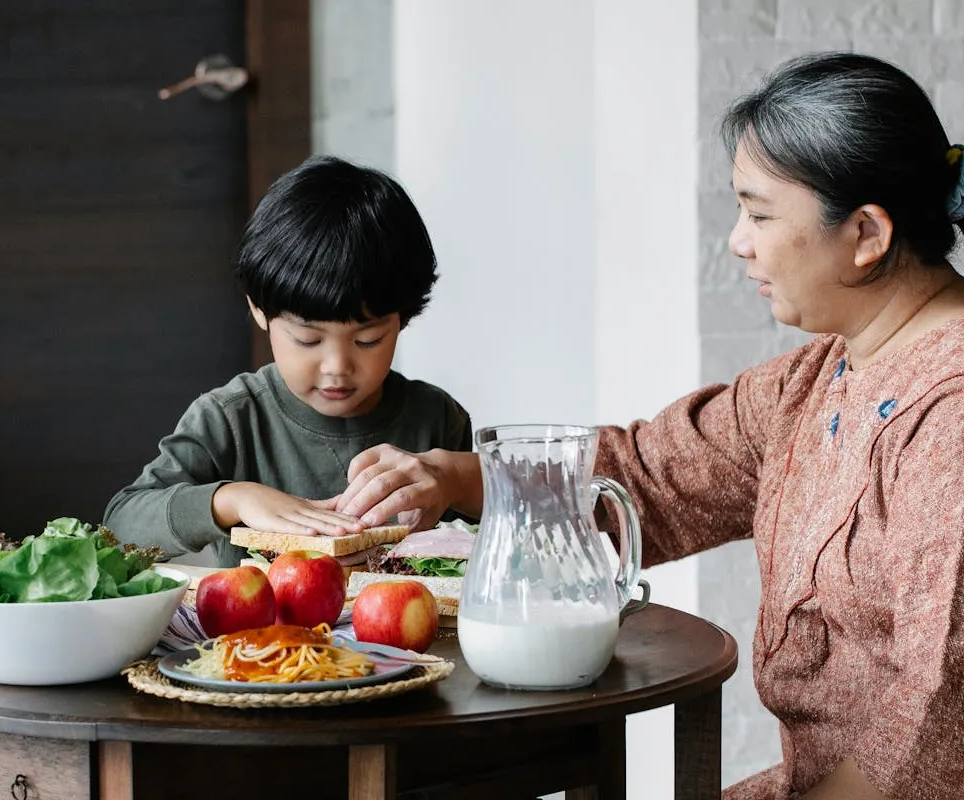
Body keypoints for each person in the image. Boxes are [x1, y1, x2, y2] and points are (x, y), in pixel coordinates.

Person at [333, 52, 964, 799]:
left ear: (865, 233)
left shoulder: (949, 419)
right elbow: (652, 477)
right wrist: (455, 478)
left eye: (759, 213)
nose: (738, 241)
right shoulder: (818, 377)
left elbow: (938, 718)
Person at [104, 155, 473, 567]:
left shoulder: (435, 418)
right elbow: (121, 525)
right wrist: (231, 499)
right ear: (259, 310)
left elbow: (495, 540)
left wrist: (455, 476)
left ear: (403, 319)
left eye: (368, 340)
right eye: (307, 339)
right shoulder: (231, 419)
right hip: (261, 632)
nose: (336, 365)